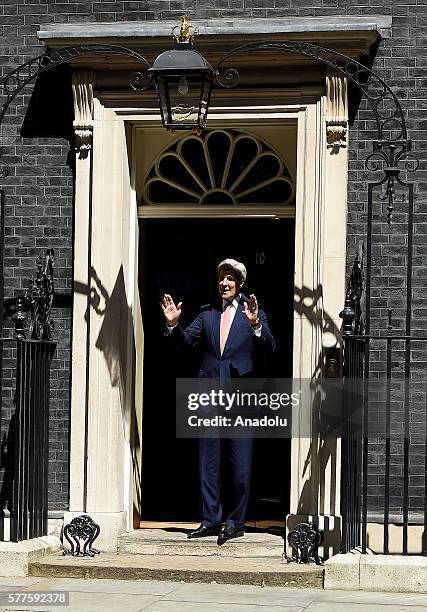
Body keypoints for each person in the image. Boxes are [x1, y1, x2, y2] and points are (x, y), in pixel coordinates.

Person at [161, 258, 275, 543]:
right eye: (221, 278)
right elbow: (186, 344)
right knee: (208, 462)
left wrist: (256, 325)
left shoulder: (253, 312)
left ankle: (235, 521)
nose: (224, 283)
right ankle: (211, 519)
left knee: (240, 465)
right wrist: (174, 325)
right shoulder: (207, 314)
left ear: (240, 283)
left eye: (230, 279)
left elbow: (270, 347)